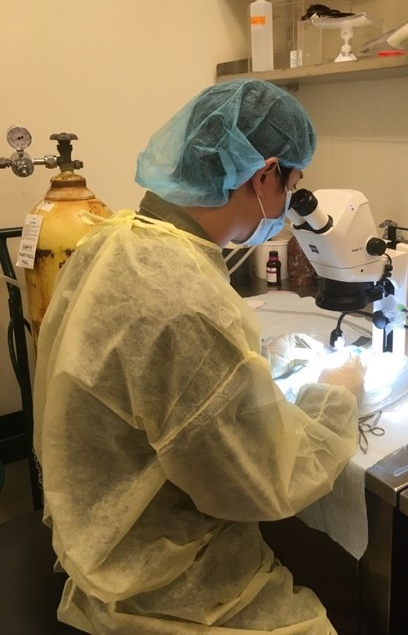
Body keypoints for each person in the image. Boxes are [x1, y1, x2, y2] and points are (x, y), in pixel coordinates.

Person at [33, 79, 363, 635]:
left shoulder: (115, 239)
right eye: (292, 187)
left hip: (97, 533)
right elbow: (264, 482)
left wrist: (249, 366)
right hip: (165, 586)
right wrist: (334, 398)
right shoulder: (186, 300)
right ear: (264, 175)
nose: (287, 207)